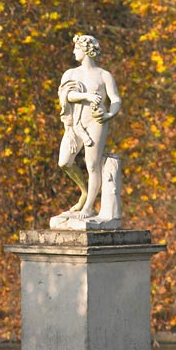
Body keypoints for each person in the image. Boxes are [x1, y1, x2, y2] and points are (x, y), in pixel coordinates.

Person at [58, 34, 121, 219]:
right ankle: (84, 192)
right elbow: (66, 96)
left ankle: (89, 206)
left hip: (96, 121)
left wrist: (110, 114)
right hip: (75, 124)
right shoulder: (70, 74)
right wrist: (87, 97)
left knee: (92, 164)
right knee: (64, 162)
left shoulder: (104, 75)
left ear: (86, 50)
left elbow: (115, 99)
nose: (73, 51)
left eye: (76, 48)